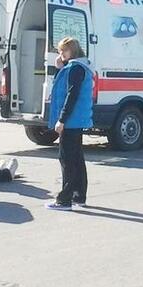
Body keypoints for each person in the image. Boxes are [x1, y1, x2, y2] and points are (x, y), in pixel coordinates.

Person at [46, 37, 94, 211]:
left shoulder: (75, 68)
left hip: (71, 120)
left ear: (72, 51)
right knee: (77, 159)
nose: (60, 54)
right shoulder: (76, 67)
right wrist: (59, 67)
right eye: (59, 51)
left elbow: (71, 95)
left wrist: (62, 119)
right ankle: (78, 195)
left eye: (63, 51)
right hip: (76, 119)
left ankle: (64, 199)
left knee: (67, 159)